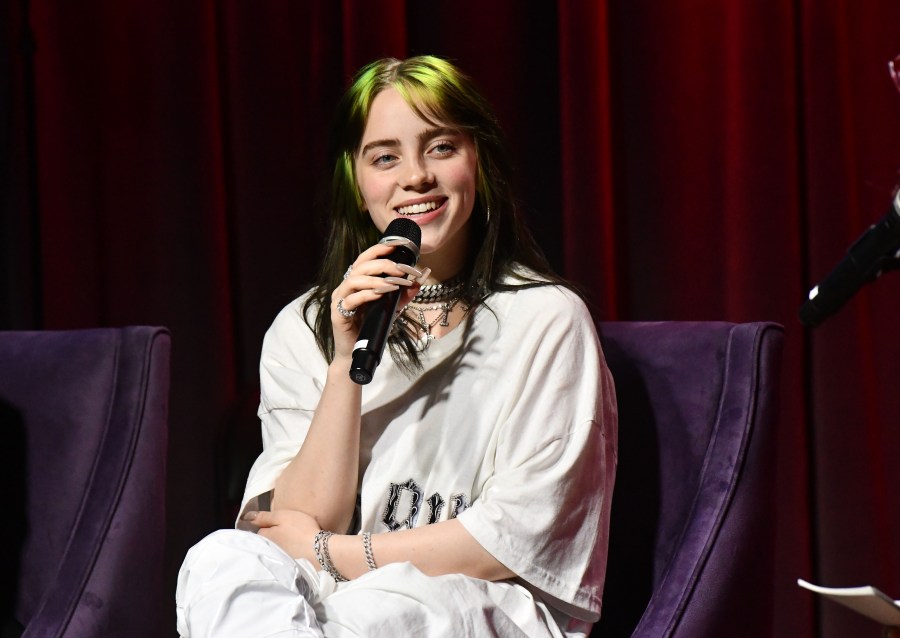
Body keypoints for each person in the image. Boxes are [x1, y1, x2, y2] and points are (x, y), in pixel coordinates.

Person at [176, 55, 617, 638]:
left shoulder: (545, 318)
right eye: (385, 157)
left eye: (440, 147)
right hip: (330, 601)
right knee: (218, 558)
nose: (415, 176)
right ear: (357, 185)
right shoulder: (304, 325)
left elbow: (508, 541)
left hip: (482, 602)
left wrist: (330, 553)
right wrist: (343, 366)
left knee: (380, 608)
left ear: (478, 164)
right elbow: (294, 522)